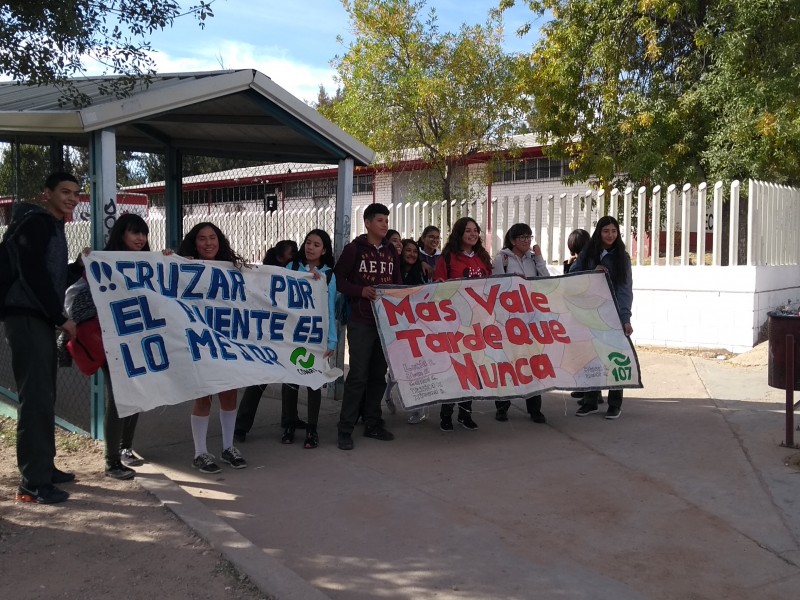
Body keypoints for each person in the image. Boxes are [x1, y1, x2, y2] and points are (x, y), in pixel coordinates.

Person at [3, 172, 81, 504]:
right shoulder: (37, 223)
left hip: (36, 318)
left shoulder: (52, 225)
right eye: (65, 192)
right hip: (26, 317)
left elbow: (54, 275)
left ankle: (43, 467)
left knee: (43, 396)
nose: (72, 198)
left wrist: (81, 266)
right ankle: (33, 483)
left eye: (76, 193)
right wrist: (61, 317)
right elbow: (32, 274)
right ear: (46, 192)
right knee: (35, 399)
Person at [68, 214, 162, 479]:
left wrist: (167, 259)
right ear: (121, 233)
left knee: (137, 395)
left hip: (138, 338)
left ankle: (125, 448)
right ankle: (111, 461)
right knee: (120, 397)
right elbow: (75, 288)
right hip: (110, 339)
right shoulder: (101, 260)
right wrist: (84, 259)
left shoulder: (148, 262)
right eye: (134, 233)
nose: (140, 239)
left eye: (143, 234)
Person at [178, 222, 248, 473]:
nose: (208, 243)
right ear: (194, 243)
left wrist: (309, 278)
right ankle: (200, 453)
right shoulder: (182, 266)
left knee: (229, 394)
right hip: (199, 342)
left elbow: (265, 286)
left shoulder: (233, 269)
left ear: (220, 241)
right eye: (202, 239)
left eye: (213, 238)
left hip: (226, 342)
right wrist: (167, 260)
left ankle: (228, 447)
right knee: (203, 396)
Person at [334, 203, 401, 450]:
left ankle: (373, 422)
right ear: (368, 223)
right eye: (380, 220)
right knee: (358, 375)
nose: (384, 225)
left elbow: (397, 283)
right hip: (361, 321)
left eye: (386, 220)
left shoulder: (391, 252)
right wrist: (360, 290)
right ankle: (345, 428)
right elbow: (339, 279)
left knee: (377, 374)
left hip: (384, 323)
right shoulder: (354, 250)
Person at [571, 216, 633, 420]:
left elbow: (625, 290)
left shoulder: (622, 258)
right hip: (589, 314)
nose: (610, 235)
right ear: (599, 232)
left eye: (614, 231)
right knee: (592, 358)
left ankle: (614, 404)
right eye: (606, 231)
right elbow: (571, 275)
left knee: (615, 359)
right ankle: (590, 401)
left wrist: (625, 318)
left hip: (612, 315)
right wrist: (592, 272)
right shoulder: (589, 254)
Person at [280, 229, 337, 449]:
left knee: (314, 382)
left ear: (324, 250)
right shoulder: (291, 269)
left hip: (316, 337)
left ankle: (312, 429)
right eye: (308, 242)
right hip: (292, 335)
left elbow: (330, 309)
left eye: (316, 244)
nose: (310, 247)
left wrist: (331, 340)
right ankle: (290, 425)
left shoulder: (329, 275)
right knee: (290, 381)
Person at [433, 217, 492, 431]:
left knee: (473, 369)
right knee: (453, 369)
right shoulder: (447, 258)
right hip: (453, 324)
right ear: (459, 233)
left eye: (476, 230)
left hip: (477, 324)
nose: (473, 234)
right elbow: (437, 288)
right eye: (468, 230)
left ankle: (465, 414)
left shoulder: (483, 258)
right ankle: (446, 414)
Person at [491, 223, 549, 424]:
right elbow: (495, 286)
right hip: (509, 319)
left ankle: (535, 409)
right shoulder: (503, 259)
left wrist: (540, 258)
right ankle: (502, 407)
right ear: (513, 240)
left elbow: (546, 280)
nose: (526, 241)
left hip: (532, 319)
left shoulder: (533, 259)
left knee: (533, 363)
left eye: (529, 237)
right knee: (507, 363)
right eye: (522, 237)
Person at [399, 239, 430, 424]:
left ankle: (420, 408)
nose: (411, 254)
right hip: (397, 325)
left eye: (415, 251)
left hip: (417, 325)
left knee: (417, 366)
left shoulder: (422, 271)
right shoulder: (395, 270)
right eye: (407, 250)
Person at [563, 228, 593, 402]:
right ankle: (586, 389)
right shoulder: (586, 258)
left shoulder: (583, 260)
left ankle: (588, 391)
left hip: (581, 312)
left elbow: (568, 283)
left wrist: (569, 265)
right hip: (584, 311)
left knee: (583, 353)